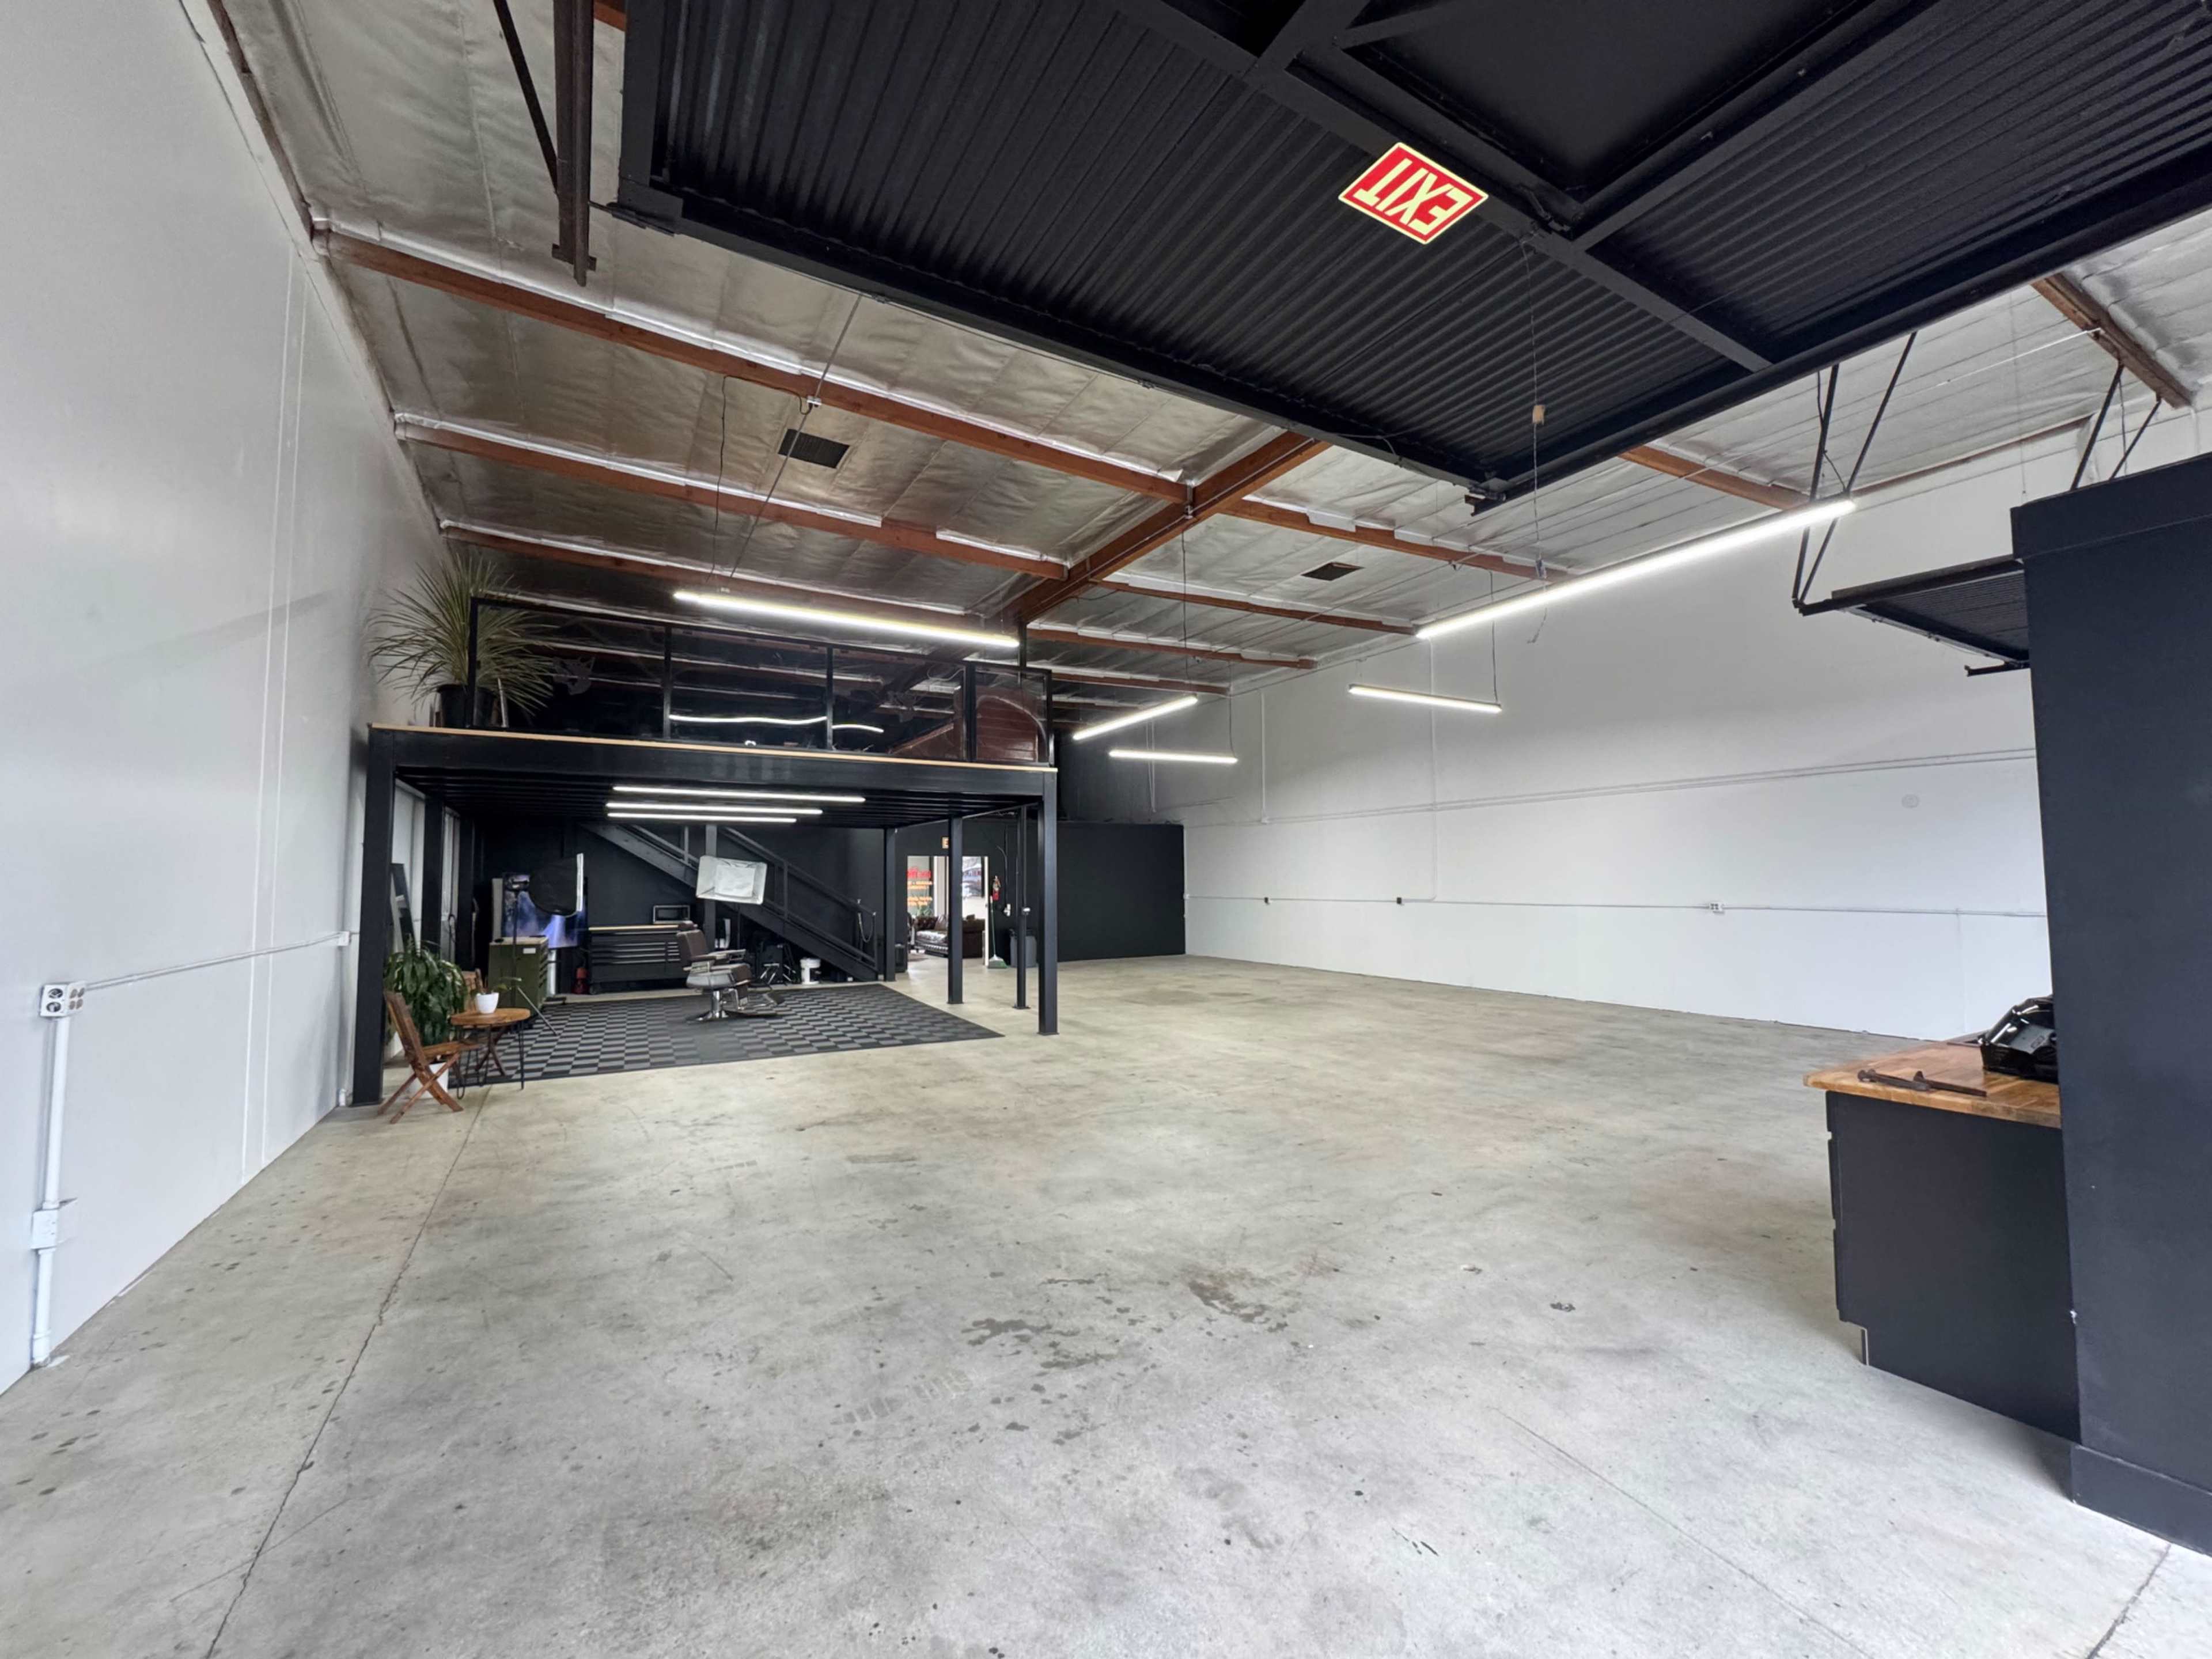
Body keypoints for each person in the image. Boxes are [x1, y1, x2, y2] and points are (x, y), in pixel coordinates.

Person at [988, 874, 1011, 967]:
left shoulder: (997, 885)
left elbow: (998, 887)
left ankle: (995, 955)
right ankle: (993, 955)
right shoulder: (994, 887)